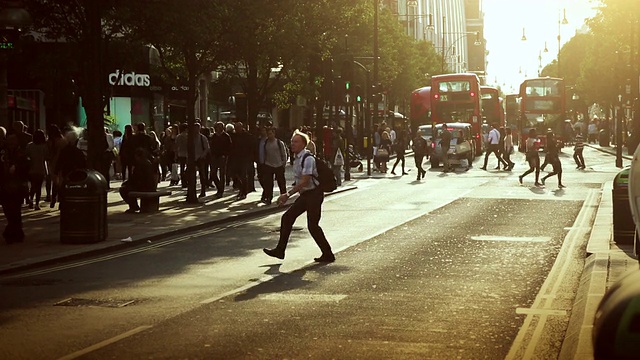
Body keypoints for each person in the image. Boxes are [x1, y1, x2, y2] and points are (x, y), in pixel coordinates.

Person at [263, 130, 335, 263]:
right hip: (306, 194)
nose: (292, 144)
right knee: (287, 218)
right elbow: (300, 181)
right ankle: (280, 250)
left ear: (304, 144)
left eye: (296, 142)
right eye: (292, 141)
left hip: (314, 195)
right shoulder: (297, 159)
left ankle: (328, 254)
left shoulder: (308, 159)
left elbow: (305, 180)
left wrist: (287, 194)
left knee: (313, 226)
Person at [0, 134, 29, 243]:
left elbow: (26, 167)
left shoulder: (20, 153)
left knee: (15, 211)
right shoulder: (3, 153)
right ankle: (15, 232)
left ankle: (13, 233)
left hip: (17, 187)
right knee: (9, 211)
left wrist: (17, 167)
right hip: (5, 186)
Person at [119, 148, 158, 213]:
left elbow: (136, 178)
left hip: (144, 186)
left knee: (124, 190)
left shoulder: (140, 164)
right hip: (148, 185)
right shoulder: (147, 162)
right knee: (128, 187)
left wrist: (126, 183)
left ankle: (133, 206)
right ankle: (134, 206)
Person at [260, 127, 288, 205]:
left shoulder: (279, 143)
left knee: (281, 183)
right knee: (268, 183)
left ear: (274, 134)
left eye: (271, 134)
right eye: (268, 134)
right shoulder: (266, 143)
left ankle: (283, 197)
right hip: (268, 165)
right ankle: (269, 198)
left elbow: (284, 154)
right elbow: (264, 153)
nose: (269, 135)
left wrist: (283, 164)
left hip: (279, 165)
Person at [26, 129, 48, 210]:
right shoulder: (44, 146)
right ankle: (37, 204)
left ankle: (31, 199)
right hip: (41, 168)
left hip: (31, 168)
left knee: (32, 186)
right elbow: (47, 157)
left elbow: (26, 155)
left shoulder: (30, 145)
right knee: (38, 187)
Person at [209, 121, 232, 198]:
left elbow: (229, 147)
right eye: (217, 127)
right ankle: (219, 187)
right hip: (214, 156)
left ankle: (221, 191)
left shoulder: (226, 136)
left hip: (223, 157)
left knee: (222, 174)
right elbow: (211, 146)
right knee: (213, 173)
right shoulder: (213, 136)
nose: (219, 129)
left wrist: (225, 155)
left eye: (221, 127)